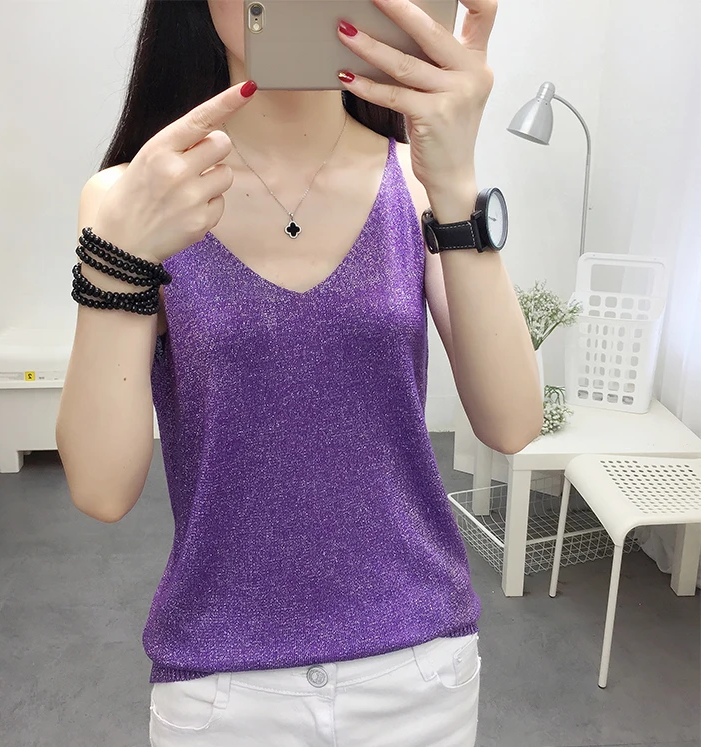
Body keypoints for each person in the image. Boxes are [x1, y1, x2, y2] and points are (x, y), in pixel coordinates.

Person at [57, 0, 543, 744]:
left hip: (417, 667)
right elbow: (100, 488)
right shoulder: (134, 203)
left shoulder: (415, 187)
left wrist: (455, 180)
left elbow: (512, 422)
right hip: (221, 684)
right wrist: (121, 254)